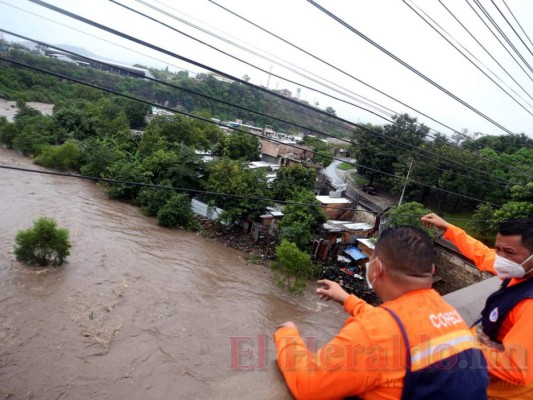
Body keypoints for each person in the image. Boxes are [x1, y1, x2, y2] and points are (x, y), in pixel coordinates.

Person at [273, 226, 488, 400]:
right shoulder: (446, 312)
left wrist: (287, 334)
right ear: (431, 271)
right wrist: (347, 299)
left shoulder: (374, 332)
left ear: (377, 268)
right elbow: (399, 326)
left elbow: (308, 386)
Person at [421, 214, 533, 400]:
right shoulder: (519, 269)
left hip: (498, 391)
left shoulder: (529, 305)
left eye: (509, 252)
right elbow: (480, 252)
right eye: (498, 249)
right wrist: (448, 228)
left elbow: (516, 369)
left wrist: (458, 348)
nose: (500, 258)